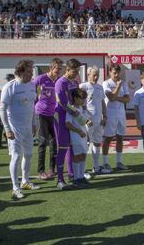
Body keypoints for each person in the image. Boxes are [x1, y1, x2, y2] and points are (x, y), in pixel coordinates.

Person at [0, 60, 40, 199]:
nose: (31, 74)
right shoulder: (10, 87)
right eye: (29, 71)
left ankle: (25, 181)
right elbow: (2, 109)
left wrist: (34, 123)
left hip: (28, 128)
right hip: (14, 128)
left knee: (28, 155)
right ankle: (15, 188)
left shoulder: (32, 85)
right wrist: (7, 129)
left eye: (32, 71)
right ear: (20, 72)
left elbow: (32, 106)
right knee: (16, 156)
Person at [33, 58, 63, 180]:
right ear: (51, 68)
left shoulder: (57, 81)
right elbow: (32, 93)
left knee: (54, 143)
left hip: (52, 114)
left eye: (61, 69)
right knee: (42, 142)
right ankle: (41, 171)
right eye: (57, 69)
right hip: (41, 113)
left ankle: (52, 169)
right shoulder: (40, 79)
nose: (59, 71)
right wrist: (35, 104)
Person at [54, 58, 81, 190]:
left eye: (78, 71)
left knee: (72, 146)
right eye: (74, 71)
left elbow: (77, 99)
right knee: (63, 147)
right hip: (61, 117)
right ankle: (60, 180)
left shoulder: (74, 82)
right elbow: (61, 102)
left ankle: (72, 175)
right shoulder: (60, 82)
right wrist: (73, 111)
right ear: (67, 69)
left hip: (72, 116)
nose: (76, 74)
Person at [80, 66, 107, 174]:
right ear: (88, 75)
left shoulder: (100, 87)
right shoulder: (83, 86)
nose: (96, 77)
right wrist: (85, 119)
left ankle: (96, 167)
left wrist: (105, 116)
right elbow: (80, 104)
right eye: (94, 75)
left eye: (97, 75)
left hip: (98, 121)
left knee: (97, 143)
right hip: (88, 121)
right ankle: (82, 170)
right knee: (85, 144)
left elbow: (102, 102)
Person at [102, 65, 129, 171]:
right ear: (110, 72)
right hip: (110, 114)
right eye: (114, 72)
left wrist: (117, 97)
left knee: (120, 138)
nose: (116, 75)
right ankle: (105, 162)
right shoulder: (106, 83)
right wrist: (117, 87)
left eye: (118, 72)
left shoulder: (124, 83)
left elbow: (127, 99)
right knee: (108, 138)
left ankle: (118, 162)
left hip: (121, 114)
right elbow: (111, 98)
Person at [65, 88, 91, 187]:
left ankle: (81, 177)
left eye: (84, 98)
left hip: (83, 135)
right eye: (82, 98)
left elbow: (84, 120)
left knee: (83, 155)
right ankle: (76, 179)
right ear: (75, 98)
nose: (83, 100)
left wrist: (88, 122)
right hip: (76, 136)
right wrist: (79, 131)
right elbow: (67, 124)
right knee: (77, 156)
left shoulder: (82, 108)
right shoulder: (71, 109)